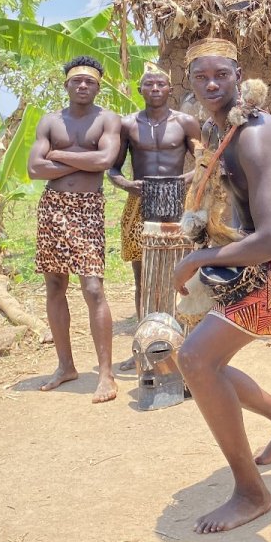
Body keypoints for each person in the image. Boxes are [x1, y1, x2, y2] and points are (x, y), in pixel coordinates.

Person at [170, 38, 271, 533]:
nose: (212, 84)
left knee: (196, 358)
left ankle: (251, 493)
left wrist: (198, 257)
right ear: (188, 83)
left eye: (221, 75)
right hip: (263, 249)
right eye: (200, 77)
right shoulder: (220, 131)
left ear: (239, 76)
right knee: (200, 357)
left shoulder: (254, 137)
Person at [27, 56, 123, 403]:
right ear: (66, 84)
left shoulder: (108, 120)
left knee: (93, 287)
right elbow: (35, 169)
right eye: (77, 81)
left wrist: (60, 156)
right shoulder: (50, 122)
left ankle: (106, 374)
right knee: (54, 284)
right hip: (53, 208)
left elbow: (103, 161)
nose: (83, 86)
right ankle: (65, 366)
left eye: (90, 82)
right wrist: (76, 158)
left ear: (98, 87)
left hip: (88, 209)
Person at [108, 63, 200, 370]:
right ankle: (144, 344)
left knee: (185, 275)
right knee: (143, 278)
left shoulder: (186, 122)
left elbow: (205, 161)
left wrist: (181, 183)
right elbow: (113, 168)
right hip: (141, 203)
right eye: (149, 85)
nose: (156, 89)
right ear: (140, 90)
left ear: (170, 90)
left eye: (161, 84)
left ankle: (185, 345)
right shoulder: (127, 124)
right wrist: (126, 184)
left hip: (180, 202)